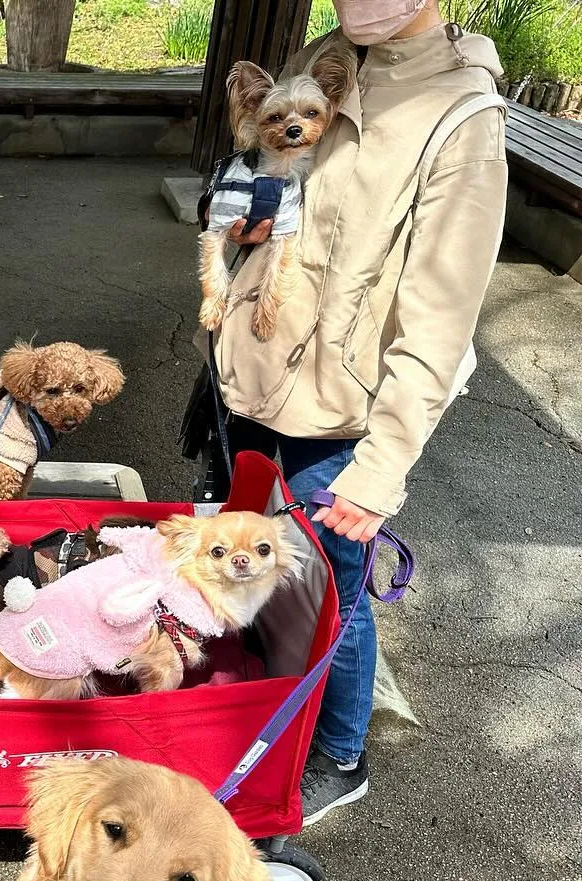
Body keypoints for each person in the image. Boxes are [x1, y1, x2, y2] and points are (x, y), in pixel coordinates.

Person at [205, 0, 507, 823]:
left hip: (338, 413)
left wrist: (379, 476)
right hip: (251, 377)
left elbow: (441, 320)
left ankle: (341, 754)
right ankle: (259, 714)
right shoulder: (329, 55)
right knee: (249, 563)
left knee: (331, 594)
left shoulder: (463, 115)